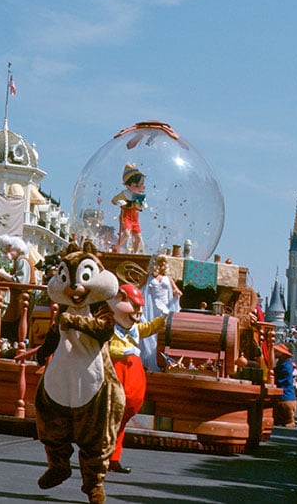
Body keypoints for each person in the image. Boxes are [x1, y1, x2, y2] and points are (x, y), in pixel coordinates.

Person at [107, 283, 165, 473]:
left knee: (121, 421)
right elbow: (106, 348)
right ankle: (102, 456)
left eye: (140, 308)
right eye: (134, 306)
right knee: (109, 419)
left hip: (131, 382)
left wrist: (161, 319)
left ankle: (114, 458)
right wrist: (123, 351)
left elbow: (147, 328)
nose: (138, 312)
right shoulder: (108, 327)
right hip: (114, 377)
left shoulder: (133, 329)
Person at [0, 234, 37, 343]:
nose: (7, 253)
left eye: (9, 250)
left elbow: (21, 282)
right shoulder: (18, 261)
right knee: (10, 325)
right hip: (17, 300)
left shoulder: (22, 260)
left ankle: (14, 347)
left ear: (18, 249)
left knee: (14, 326)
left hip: (22, 299)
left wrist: (3, 275)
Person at [140, 254, 181, 372]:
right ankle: (147, 361)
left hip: (164, 306)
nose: (163, 266)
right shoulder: (148, 277)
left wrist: (177, 293)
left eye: (164, 263)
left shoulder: (168, 278)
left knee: (161, 331)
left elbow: (176, 290)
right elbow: (138, 287)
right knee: (149, 330)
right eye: (161, 263)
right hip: (151, 307)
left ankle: (160, 360)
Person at [111, 164, 146, 254]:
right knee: (126, 233)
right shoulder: (125, 194)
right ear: (128, 185)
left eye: (141, 184)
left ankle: (135, 253)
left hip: (135, 216)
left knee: (138, 237)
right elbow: (114, 200)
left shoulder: (140, 196)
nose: (140, 187)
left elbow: (140, 205)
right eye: (136, 185)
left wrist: (143, 205)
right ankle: (116, 246)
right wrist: (119, 202)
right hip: (126, 215)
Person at [273, 344, 297, 427]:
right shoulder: (283, 363)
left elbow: (278, 376)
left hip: (286, 397)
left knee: (287, 414)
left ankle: (289, 420)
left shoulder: (285, 365)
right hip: (286, 396)